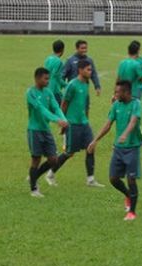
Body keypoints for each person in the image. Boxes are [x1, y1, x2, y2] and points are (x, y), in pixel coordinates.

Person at [88, 80, 142, 221]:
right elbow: (107, 125)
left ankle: (132, 212)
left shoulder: (136, 104)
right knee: (113, 179)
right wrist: (95, 140)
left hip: (132, 148)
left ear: (126, 92)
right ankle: (127, 195)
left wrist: (125, 134)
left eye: (117, 92)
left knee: (131, 179)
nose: (115, 94)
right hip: (119, 148)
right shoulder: (116, 105)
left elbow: (133, 121)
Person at [48, 60, 104, 187]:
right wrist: (62, 122)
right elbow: (64, 104)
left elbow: (85, 104)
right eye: (88, 70)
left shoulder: (86, 84)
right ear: (80, 70)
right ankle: (50, 173)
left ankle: (90, 179)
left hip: (84, 123)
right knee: (69, 152)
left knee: (91, 147)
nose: (91, 72)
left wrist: (87, 118)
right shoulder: (72, 85)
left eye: (91, 70)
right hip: (72, 124)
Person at [26, 67, 69, 198]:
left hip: (46, 130)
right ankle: (34, 189)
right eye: (45, 79)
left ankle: (34, 176)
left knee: (53, 160)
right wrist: (57, 120)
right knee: (36, 159)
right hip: (34, 130)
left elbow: (56, 107)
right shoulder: (31, 93)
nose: (48, 81)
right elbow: (41, 109)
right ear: (37, 78)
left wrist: (63, 119)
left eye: (48, 78)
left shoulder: (48, 92)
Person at [44, 40, 66, 105]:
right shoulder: (59, 62)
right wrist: (66, 85)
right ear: (62, 50)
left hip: (46, 89)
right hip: (54, 91)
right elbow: (56, 77)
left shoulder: (48, 59)